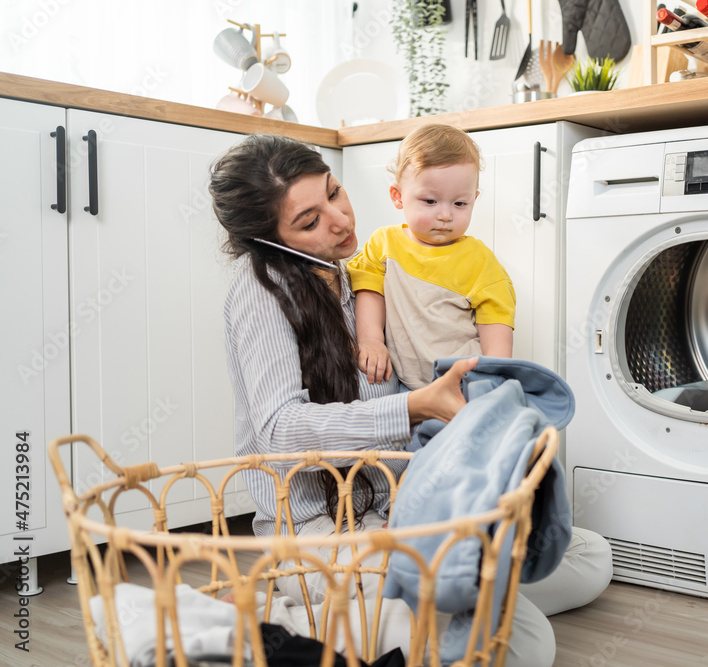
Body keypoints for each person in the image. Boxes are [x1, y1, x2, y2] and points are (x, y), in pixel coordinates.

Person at [210, 133, 611, 665]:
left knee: (588, 557)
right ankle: (290, 615)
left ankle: (396, 614)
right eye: (309, 221)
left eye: (333, 192)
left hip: (396, 513)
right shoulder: (261, 291)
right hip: (322, 530)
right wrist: (416, 405)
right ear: (271, 241)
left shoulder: (359, 272)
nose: (338, 218)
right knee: (525, 645)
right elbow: (280, 432)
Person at [347, 123, 515, 389]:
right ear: (398, 196)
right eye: (430, 201)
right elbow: (369, 291)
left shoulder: (480, 260)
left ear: (474, 198)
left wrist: (495, 378)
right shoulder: (384, 244)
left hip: (465, 384)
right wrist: (371, 340)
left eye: (460, 203)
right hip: (406, 386)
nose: (446, 215)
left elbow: (496, 324)